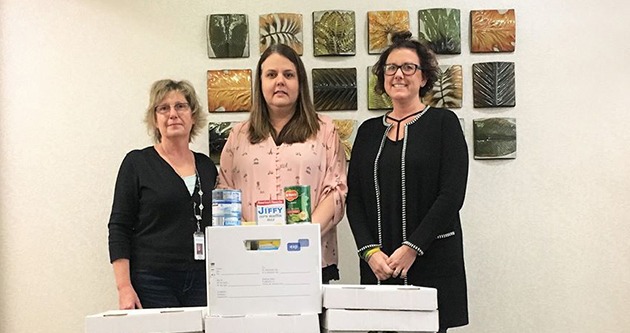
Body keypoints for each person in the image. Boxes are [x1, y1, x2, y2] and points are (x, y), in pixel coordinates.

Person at [346, 31, 469, 332]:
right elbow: (355, 199)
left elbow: (451, 194)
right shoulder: (368, 132)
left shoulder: (444, 124)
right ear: (382, 77)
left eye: (408, 67)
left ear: (424, 77)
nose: (398, 74)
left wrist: (412, 247)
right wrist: (369, 251)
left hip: (431, 258)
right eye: (391, 68)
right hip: (379, 263)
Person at [218, 44, 347, 283]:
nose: (280, 81)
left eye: (288, 75)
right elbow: (225, 193)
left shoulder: (324, 130)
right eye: (271, 75)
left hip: (309, 256)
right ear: (260, 83)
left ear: (300, 83)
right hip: (251, 258)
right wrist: (256, 240)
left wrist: (299, 238)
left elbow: (336, 190)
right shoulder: (239, 135)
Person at [108, 79, 218, 309]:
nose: (173, 114)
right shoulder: (137, 163)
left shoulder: (207, 166)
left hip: (202, 279)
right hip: (152, 281)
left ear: (193, 116)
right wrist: (124, 287)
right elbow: (119, 226)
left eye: (181, 106)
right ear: (155, 120)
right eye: (163, 108)